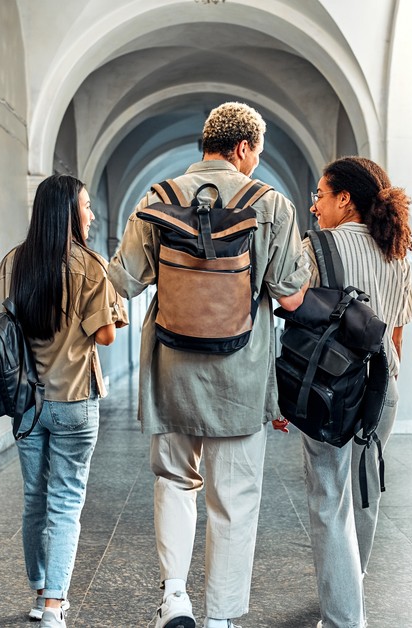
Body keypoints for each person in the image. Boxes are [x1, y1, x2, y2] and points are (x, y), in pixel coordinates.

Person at [108, 102, 311, 628]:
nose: (256, 163)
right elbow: (291, 297)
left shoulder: (157, 198)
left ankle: (174, 598)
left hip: (171, 368)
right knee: (233, 497)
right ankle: (219, 617)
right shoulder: (271, 204)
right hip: (240, 374)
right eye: (256, 153)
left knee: (174, 479)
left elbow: (123, 281)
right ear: (242, 148)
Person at [0, 174, 127, 628]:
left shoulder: (14, 262)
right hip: (74, 400)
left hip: (27, 402)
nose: (91, 215)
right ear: (67, 212)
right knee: (65, 501)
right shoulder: (91, 265)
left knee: (34, 496)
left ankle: (40, 589)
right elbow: (105, 335)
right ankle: (52, 605)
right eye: (85, 207)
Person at [295, 156, 412, 628]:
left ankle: (344, 618)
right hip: (384, 387)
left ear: (344, 199)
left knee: (328, 496)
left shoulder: (316, 246)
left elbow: (296, 314)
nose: (314, 205)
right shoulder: (396, 250)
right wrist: (388, 382)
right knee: (365, 491)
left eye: (320, 195)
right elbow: (398, 332)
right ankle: (350, 587)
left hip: (331, 390)